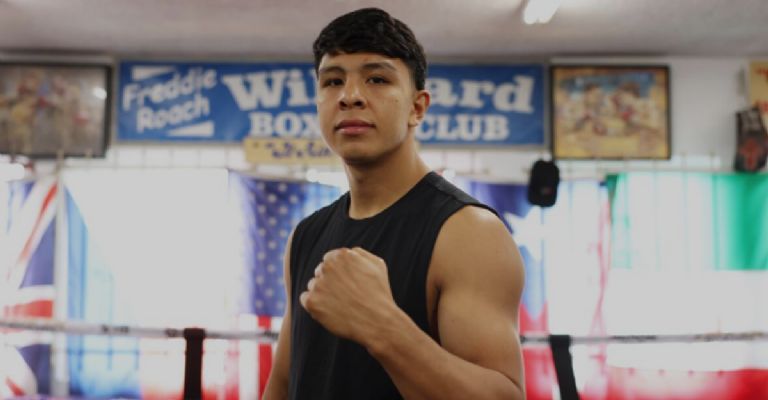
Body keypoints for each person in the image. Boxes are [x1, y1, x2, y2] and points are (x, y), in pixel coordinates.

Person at [263, 7, 526, 400]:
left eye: (377, 79)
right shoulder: (306, 235)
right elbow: (284, 383)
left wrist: (382, 326)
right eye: (333, 81)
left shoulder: (468, 232)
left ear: (417, 108)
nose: (350, 96)